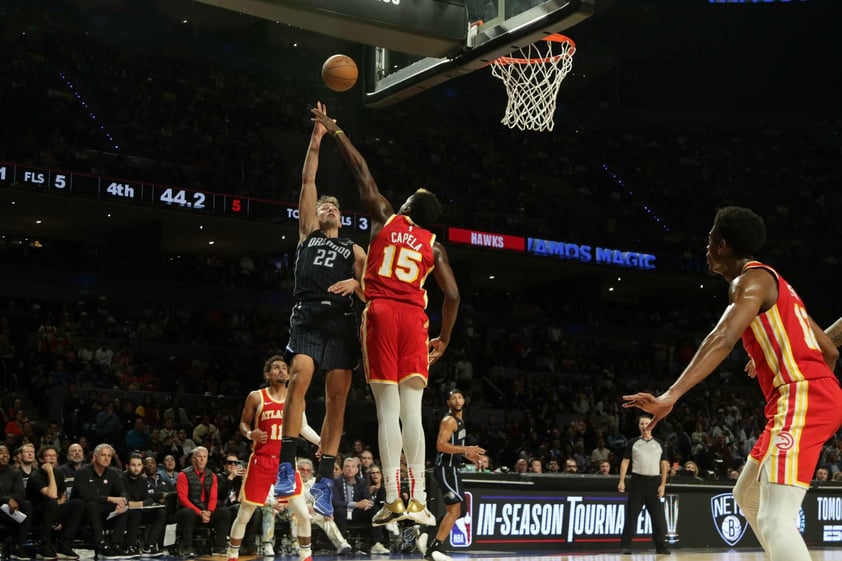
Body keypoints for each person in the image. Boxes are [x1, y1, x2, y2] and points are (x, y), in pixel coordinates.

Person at [623, 206, 842, 561]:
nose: (705, 244)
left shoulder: (749, 281)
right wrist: (779, 356)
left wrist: (670, 395)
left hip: (801, 396)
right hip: (811, 394)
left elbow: (723, 337)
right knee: (747, 496)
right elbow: (828, 351)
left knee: (776, 518)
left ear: (721, 245)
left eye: (709, 237)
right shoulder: (779, 284)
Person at [311, 103, 460, 527]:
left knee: (386, 410)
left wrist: (336, 131)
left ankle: (393, 497)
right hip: (416, 319)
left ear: (411, 206)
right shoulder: (433, 246)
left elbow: (361, 171)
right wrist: (445, 339)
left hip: (380, 314)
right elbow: (452, 294)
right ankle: (421, 502)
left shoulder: (387, 216)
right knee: (412, 411)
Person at [274, 102, 367, 521]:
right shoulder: (307, 234)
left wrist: (358, 284)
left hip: (342, 320)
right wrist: (316, 140)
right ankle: (286, 465)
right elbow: (308, 179)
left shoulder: (354, 248)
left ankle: (326, 483)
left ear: (342, 216)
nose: (328, 207)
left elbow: (374, 290)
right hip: (309, 314)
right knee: (299, 380)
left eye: (334, 206)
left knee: (338, 400)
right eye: (323, 205)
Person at [228, 356, 321, 561]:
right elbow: (243, 424)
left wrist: (320, 442)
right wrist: (250, 434)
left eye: (284, 368)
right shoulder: (256, 397)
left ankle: (306, 555)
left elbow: (303, 427)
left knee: (303, 514)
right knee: (245, 513)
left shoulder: (296, 397)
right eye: (276, 368)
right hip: (261, 461)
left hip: (286, 463)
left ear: (289, 375)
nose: (281, 371)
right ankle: (232, 555)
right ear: (267, 374)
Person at [417, 389, 485, 561]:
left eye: (460, 397)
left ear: (464, 401)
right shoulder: (449, 420)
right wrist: (467, 449)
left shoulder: (461, 421)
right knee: (454, 510)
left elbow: (454, 449)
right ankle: (434, 549)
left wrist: (470, 456)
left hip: (452, 468)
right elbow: (441, 445)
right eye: (453, 398)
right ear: (448, 403)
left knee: (461, 511)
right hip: (445, 469)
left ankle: (425, 531)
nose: (457, 400)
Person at [617, 413, 670, 555]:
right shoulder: (633, 442)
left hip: (654, 482)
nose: (644, 426)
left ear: (652, 425)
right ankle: (626, 545)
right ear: (638, 426)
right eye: (641, 424)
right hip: (637, 482)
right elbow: (625, 461)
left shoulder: (659, 444)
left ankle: (661, 547)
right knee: (631, 515)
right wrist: (621, 481)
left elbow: (664, 465)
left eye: (647, 423)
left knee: (658, 518)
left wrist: (663, 485)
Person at [72, 443, 131, 560]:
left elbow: (123, 492)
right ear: (95, 456)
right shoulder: (82, 472)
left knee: (125, 509)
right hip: (82, 512)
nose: (106, 458)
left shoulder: (113, 473)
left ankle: (115, 543)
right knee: (92, 505)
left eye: (109, 456)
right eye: (103, 455)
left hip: (102, 511)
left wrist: (122, 501)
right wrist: (111, 499)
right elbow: (86, 496)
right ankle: (101, 544)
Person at [173, 446, 232, 558]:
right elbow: (183, 499)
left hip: (205, 512)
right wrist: (200, 512)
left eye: (204, 457)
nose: (202, 459)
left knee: (225, 512)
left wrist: (209, 512)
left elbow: (213, 498)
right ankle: (187, 548)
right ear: (193, 459)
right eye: (199, 456)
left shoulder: (212, 475)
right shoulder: (183, 475)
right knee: (188, 512)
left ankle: (219, 547)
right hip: (188, 512)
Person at [26, 445, 83, 560]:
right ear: (41, 459)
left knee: (78, 503)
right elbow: (52, 495)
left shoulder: (59, 473)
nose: (52, 458)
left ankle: (64, 544)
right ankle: (44, 545)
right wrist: (51, 473)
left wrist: (59, 519)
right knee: (51, 502)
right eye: (48, 456)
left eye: (54, 456)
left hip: (52, 511)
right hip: (35, 513)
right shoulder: (35, 476)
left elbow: (61, 496)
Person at [298, 458, 352, 556]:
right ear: (298, 470)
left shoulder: (315, 482)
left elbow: (323, 498)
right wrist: (305, 507)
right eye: (302, 470)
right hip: (297, 513)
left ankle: (341, 544)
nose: (305, 472)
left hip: (314, 513)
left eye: (308, 470)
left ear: (312, 472)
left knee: (326, 518)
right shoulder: (292, 482)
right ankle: (299, 547)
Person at [122, 453, 166, 557]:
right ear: (127, 466)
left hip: (140, 510)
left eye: (139, 465)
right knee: (135, 513)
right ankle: (130, 546)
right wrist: (142, 503)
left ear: (142, 466)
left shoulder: (142, 480)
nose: (136, 468)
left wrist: (152, 503)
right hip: (125, 513)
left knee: (160, 513)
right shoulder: (121, 479)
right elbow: (125, 502)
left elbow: (145, 498)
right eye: (133, 465)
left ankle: (149, 545)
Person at [0, 443, 33, 561]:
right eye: (1, 453)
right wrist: (7, 499)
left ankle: (17, 547)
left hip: (10, 510)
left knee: (27, 505)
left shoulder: (14, 472)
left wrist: (12, 500)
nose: (5, 456)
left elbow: (20, 493)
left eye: (6, 453)